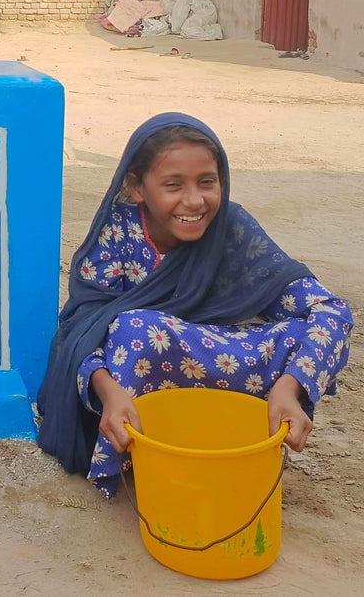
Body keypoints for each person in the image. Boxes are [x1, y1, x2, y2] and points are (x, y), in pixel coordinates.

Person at [36, 112, 354, 496]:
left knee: (304, 332)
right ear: (137, 188)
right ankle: (135, 457)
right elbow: (80, 331)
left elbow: (331, 310)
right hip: (134, 392)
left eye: (207, 182)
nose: (194, 200)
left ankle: (236, 445)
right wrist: (109, 392)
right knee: (132, 330)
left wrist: (289, 387)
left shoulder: (232, 228)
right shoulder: (119, 232)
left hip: (225, 377)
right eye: (173, 185)